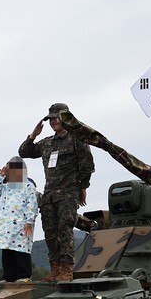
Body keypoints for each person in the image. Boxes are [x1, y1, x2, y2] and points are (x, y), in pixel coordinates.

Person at [18, 103, 95, 282]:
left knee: (65, 229)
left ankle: (67, 269)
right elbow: (24, 152)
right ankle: (55, 268)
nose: (53, 121)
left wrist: (82, 188)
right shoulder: (47, 143)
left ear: (66, 117)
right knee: (50, 232)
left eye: (56, 117)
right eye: (50, 118)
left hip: (68, 193)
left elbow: (87, 166)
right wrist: (33, 135)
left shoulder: (77, 139)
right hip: (49, 194)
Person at [0, 156, 38, 283]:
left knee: (21, 250)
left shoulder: (28, 186)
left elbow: (32, 205)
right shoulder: (6, 187)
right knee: (7, 250)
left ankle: (24, 276)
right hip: (6, 225)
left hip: (21, 224)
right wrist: (0, 175)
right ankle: (8, 276)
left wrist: (30, 222)